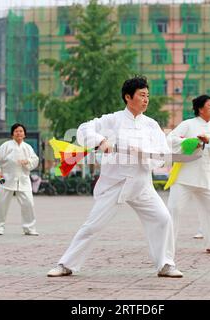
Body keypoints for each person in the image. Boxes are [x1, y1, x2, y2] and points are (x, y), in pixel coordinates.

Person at [47, 76, 182, 278]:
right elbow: (84, 129)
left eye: (148, 96)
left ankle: (165, 264)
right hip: (116, 183)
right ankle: (66, 264)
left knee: (162, 219)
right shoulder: (113, 120)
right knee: (93, 226)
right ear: (128, 97)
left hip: (142, 184)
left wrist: (144, 153)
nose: (146, 100)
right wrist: (100, 140)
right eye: (142, 95)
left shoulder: (151, 125)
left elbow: (162, 154)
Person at [166, 95, 210, 256]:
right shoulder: (188, 124)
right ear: (200, 109)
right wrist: (194, 141)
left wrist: (209, 140)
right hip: (184, 178)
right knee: (174, 210)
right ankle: (166, 247)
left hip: (206, 177)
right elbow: (170, 140)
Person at [0, 123, 40, 236]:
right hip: (6, 179)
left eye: (21, 131)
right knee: (1, 204)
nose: (19, 133)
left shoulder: (27, 147)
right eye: (16, 131)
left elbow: (35, 160)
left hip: (23, 179)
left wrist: (27, 161)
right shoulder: (6, 146)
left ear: (24, 134)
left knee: (28, 203)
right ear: (12, 134)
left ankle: (29, 228)